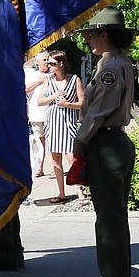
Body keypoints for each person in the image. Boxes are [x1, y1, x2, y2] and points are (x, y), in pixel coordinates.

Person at [72, 7, 136, 277]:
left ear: (105, 34)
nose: (87, 39)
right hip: (113, 142)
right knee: (113, 218)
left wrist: (80, 142)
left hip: (106, 143)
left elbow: (98, 111)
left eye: (91, 34)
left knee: (109, 220)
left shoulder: (111, 67)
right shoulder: (114, 63)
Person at [38, 50, 83, 203]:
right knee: (55, 160)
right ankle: (61, 193)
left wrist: (68, 104)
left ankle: (80, 191)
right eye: (48, 63)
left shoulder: (74, 80)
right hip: (52, 122)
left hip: (68, 122)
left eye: (52, 63)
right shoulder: (48, 80)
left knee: (72, 158)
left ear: (61, 64)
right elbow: (40, 101)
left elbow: (83, 103)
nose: (48, 66)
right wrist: (53, 96)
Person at [25, 53, 50, 178]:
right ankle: (40, 166)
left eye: (48, 60)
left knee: (53, 141)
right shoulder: (32, 75)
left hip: (51, 113)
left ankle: (55, 167)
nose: (46, 62)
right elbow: (25, 89)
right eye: (44, 60)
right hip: (36, 114)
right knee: (40, 141)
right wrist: (39, 81)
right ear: (37, 62)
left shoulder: (53, 74)